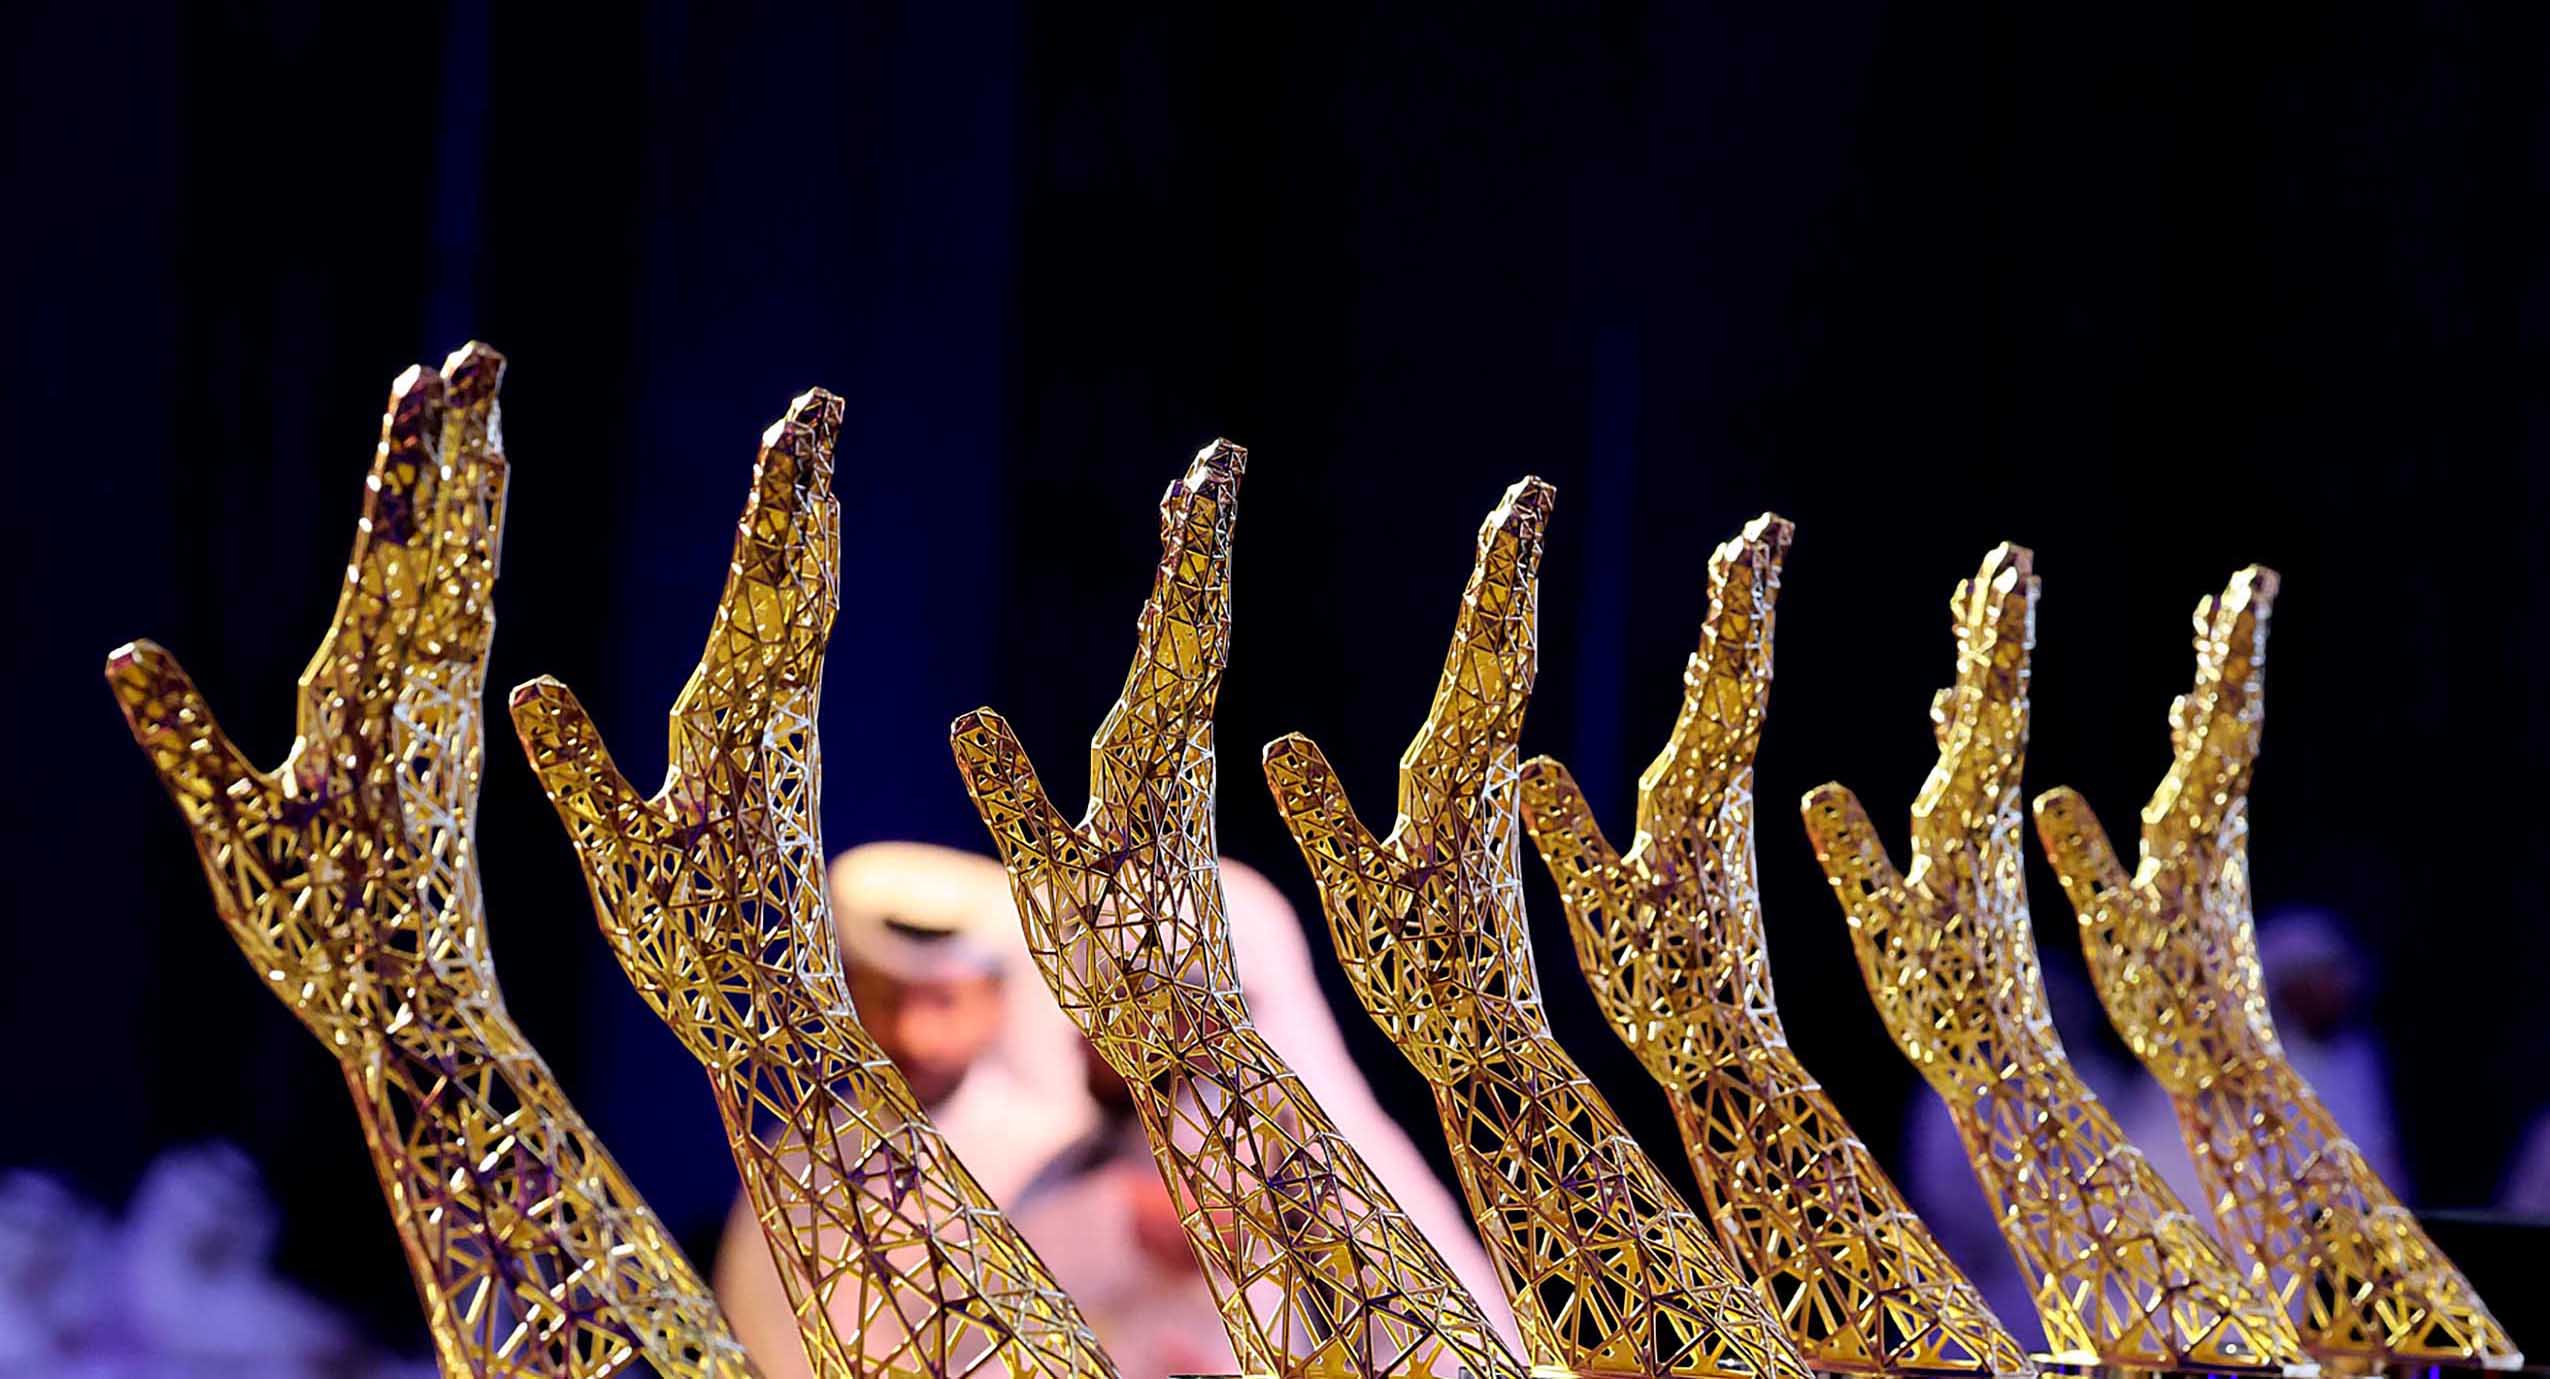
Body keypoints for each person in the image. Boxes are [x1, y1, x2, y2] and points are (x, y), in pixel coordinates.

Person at [1007, 858, 1520, 1377]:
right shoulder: (1089, 1164)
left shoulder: (1322, 1172)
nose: (1080, 1039)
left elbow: (1458, 1355)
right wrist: (1114, 1224)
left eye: (1112, 1004)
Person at [712, 842, 1099, 1378]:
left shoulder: (1060, 1155)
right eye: (889, 999)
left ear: (996, 1001)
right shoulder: (798, 1153)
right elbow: (756, 1327)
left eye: (944, 1001)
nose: (913, 1035)